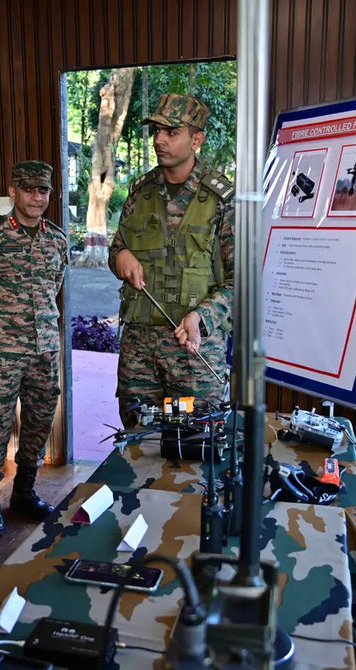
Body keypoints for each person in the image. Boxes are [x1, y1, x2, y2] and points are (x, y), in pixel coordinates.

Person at [109, 93, 235, 428]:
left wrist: (202, 316)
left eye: (171, 132)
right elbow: (116, 248)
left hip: (194, 355)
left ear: (196, 140)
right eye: (156, 131)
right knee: (138, 444)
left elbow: (243, 281)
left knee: (193, 448)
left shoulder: (222, 200)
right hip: (139, 356)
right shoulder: (140, 193)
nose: (159, 140)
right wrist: (121, 256)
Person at [0, 161, 67, 540]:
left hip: (45, 347)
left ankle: (24, 490)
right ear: (13, 192)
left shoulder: (57, 239)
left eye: (44, 191)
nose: (37, 197)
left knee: (39, 421)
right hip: (4, 349)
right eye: (29, 190)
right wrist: (3, 323)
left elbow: (55, 284)